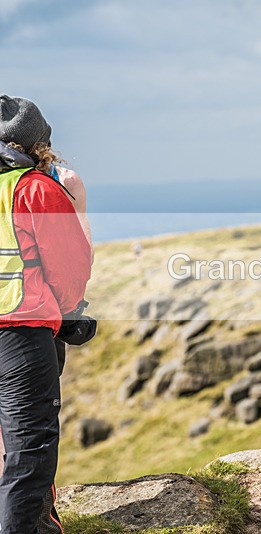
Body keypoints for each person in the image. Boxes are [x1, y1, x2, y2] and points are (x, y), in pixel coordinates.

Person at [0, 95, 92, 532]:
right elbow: (70, 267)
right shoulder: (34, 188)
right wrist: (69, 313)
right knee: (28, 449)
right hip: (20, 333)